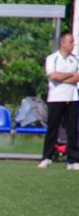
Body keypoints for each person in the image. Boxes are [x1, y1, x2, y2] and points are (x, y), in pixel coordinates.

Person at [38, 32, 79, 170]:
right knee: (53, 128)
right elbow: (53, 76)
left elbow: (77, 77)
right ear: (62, 43)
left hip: (72, 98)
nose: (73, 44)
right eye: (71, 42)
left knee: (72, 130)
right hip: (56, 99)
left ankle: (73, 160)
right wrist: (70, 74)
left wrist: (64, 77)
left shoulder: (75, 59)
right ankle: (47, 157)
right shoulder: (52, 58)